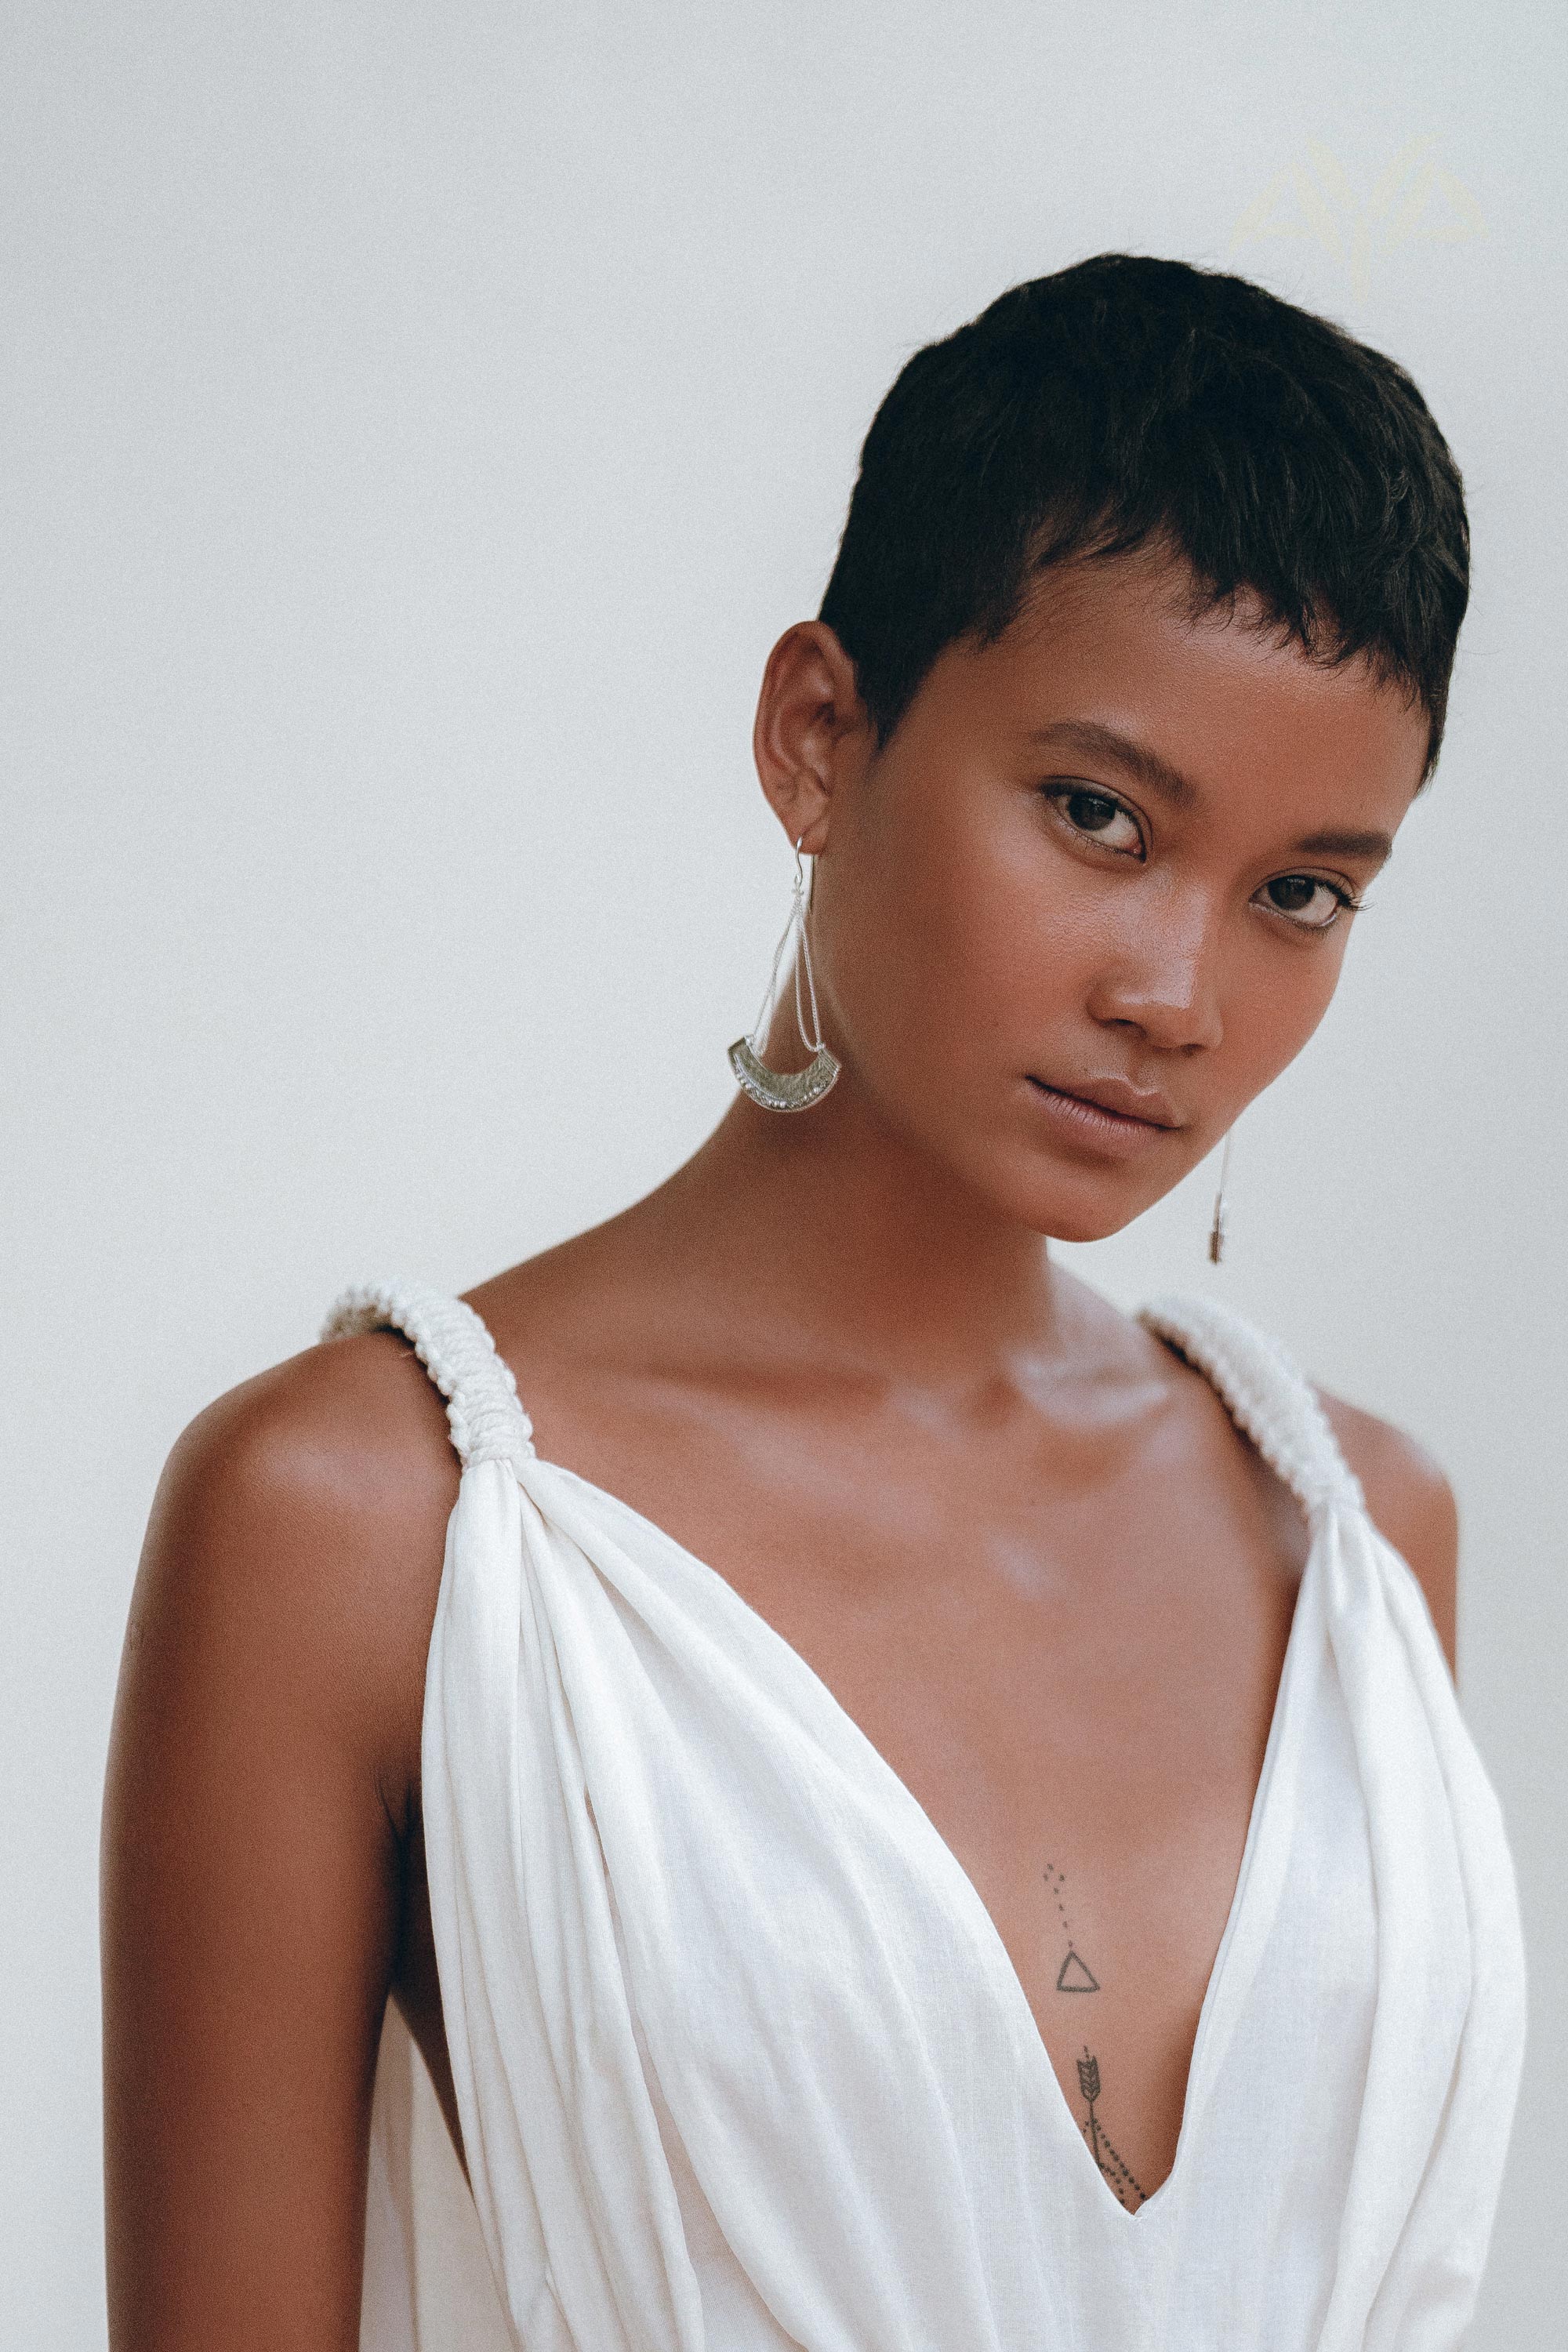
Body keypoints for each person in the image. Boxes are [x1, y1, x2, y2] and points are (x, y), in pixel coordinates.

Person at [102, 253, 1526, 2351]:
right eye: (1098, 815)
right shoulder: (362, 1526)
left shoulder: (1364, 1542)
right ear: (818, 738)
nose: (1180, 993)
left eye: (1302, 891)